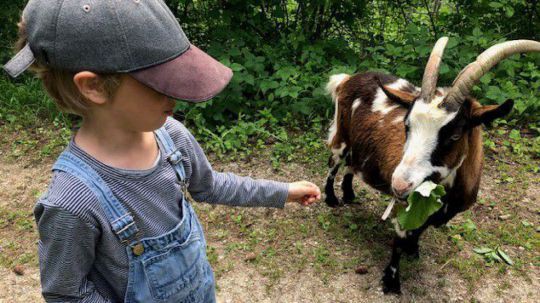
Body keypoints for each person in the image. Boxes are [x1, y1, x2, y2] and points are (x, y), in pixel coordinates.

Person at [3, 1, 321, 302]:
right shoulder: (72, 201)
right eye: (160, 84)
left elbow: (210, 185)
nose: (176, 94)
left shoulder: (171, 137)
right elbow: (66, 293)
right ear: (95, 87)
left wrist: (283, 192)